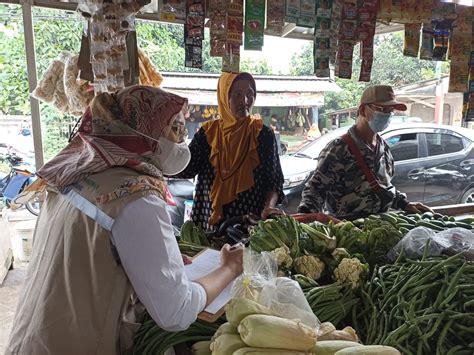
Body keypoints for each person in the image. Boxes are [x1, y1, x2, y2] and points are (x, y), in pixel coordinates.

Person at [6, 86, 244, 355]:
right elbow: (176, 311)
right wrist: (228, 269)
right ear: (145, 132)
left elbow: (86, 255)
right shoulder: (135, 195)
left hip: (33, 338)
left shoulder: (73, 172)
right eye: (175, 129)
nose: (182, 140)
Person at [297, 85, 433, 220]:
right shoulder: (339, 148)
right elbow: (314, 191)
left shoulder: (383, 148)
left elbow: (383, 187)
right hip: (347, 232)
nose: (387, 115)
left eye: (391, 110)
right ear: (363, 110)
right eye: (382, 109)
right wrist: (307, 221)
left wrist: (404, 204)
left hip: (379, 229)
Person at [175, 72, 285, 230]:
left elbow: (274, 181)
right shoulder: (208, 134)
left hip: (250, 226)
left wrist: (268, 208)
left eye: (249, 94)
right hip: (209, 223)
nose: (245, 101)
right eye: (237, 94)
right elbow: (186, 169)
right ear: (224, 97)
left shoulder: (263, 135)